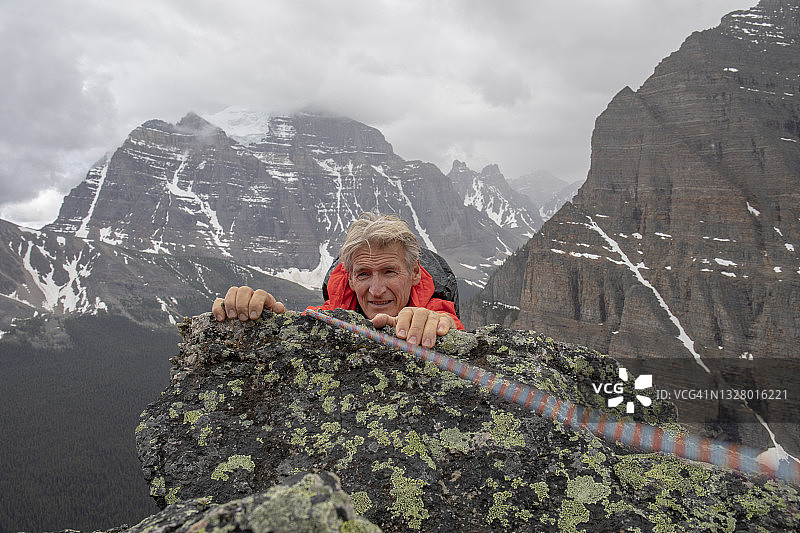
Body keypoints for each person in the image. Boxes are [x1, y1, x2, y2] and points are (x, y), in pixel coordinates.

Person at [212, 212, 465, 348]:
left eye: (389, 272)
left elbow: (449, 323)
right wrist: (261, 315)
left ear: (415, 273)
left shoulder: (436, 311)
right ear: (350, 279)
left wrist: (437, 327)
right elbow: (293, 331)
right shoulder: (327, 317)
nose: (376, 290)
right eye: (363, 274)